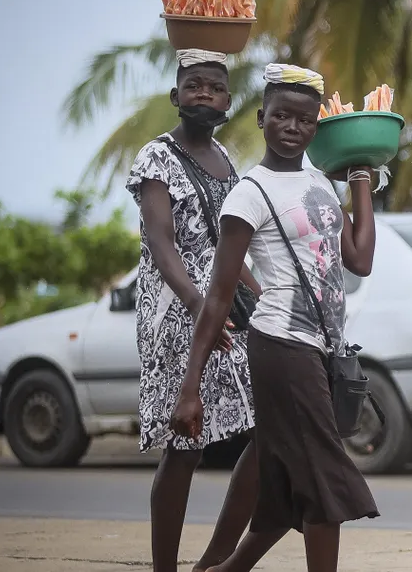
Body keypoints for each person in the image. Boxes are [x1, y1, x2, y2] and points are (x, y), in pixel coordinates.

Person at [171, 64, 379, 572]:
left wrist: (360, 180)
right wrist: (190, 386)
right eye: (281, 116)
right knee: (326, 478)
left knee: (286, 485)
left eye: (304, 121)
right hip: (280, 345)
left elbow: (360, 260)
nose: (293, 127)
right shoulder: (249, 193)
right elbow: (219, 294)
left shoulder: (319, 185)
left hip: (320, 347)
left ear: (315, 127)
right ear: (262, 118)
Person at [125, 48, 261, 572]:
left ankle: (212, 565)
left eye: (214, 86)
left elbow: (232, 247)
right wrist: (201, 304)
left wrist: (266, 300)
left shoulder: (228, 160)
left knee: (268, 430)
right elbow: (161, 243)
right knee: (185, 443)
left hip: (226, 303)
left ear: (229, 100)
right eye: (193, 84)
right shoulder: (156, 157)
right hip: (177, 310)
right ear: (175, 96)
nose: (203, 92)